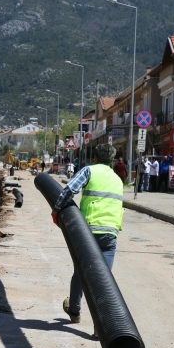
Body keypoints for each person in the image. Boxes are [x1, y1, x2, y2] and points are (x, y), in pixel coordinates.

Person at [50, 144, 124, 336]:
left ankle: (74, 310)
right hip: (110, 234)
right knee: (103, 281)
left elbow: (68, 191)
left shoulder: (89, 171)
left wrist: (56, 210)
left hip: (89, 231)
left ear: (95, 157)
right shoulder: (117, 179)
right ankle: (101, 327)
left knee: (82, 273)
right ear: (113, 160)